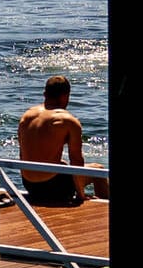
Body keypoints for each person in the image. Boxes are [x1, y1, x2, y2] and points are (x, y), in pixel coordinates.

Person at [16, 76, 108, 206]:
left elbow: (23, 154)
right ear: (66, 96)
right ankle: (105, 209)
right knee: (98, 170)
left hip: (29, 184)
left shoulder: (26, 116)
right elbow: (76, 160)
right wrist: (81, 195)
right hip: (55, 187)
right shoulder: (67, 120)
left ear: (45, 94)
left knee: (62, 163)